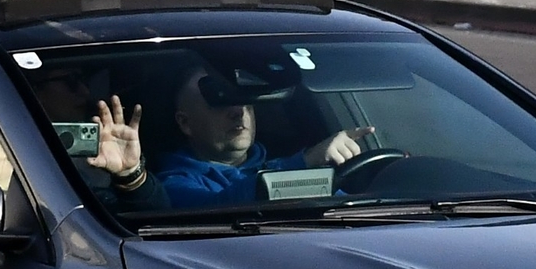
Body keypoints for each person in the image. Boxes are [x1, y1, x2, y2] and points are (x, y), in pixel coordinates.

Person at [142, 67, 373, 209]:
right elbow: (222, 209)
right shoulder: (173, 184)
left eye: (245, 99)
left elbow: (348, 208)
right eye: (220, 100)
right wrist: (304, 163)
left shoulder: (277, 162)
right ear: (185, 123)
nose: (238, 110)